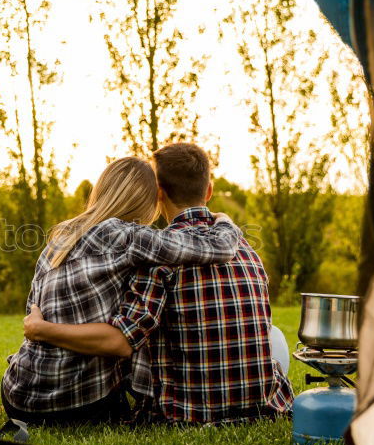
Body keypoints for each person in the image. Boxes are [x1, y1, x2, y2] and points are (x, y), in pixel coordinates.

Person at [24, 143, 293, 424]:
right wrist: (226, 223)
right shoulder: (247, 250)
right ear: (209, 191)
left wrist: (44, 329)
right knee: (274, 337)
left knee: (142, 334)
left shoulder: (152, 257)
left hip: (184, 410)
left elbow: (126, 337)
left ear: (159, 193)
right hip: (260, 401)